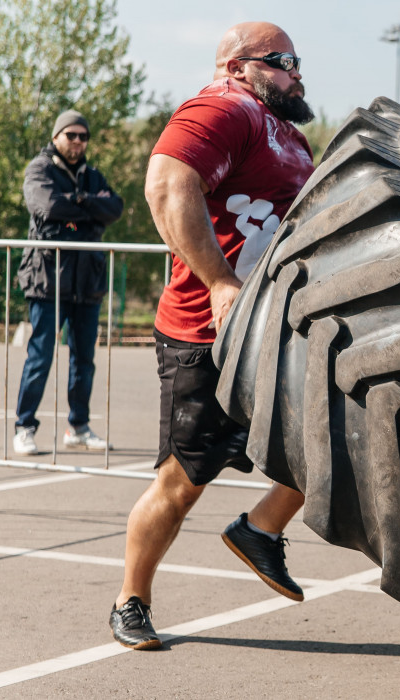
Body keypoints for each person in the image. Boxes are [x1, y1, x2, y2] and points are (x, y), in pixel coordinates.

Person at [109, 22, 316, 650]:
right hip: (207, 332)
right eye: (281, 60)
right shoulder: (223, 108)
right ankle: (130, 600)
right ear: (236, 67)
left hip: (271, 331)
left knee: (336, 436)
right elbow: (167, 184)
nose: (296, 72)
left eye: (298, 61)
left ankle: (259, 529)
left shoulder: (290, 135)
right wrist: (221, 283)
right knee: (182, 481)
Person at [15, 110, 124, 455]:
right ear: (57, 135)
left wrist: (78, 203)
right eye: (71, 135)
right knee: (40, 355)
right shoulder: (40, 169)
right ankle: (25, 427)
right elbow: (47, 207)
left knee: (84, 358)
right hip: (47, 278)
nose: (78, 142)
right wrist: (90, 209)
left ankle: (78, 426)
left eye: (83, 136)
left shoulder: (92, 175)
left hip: (86, 280)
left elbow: (115, 209)